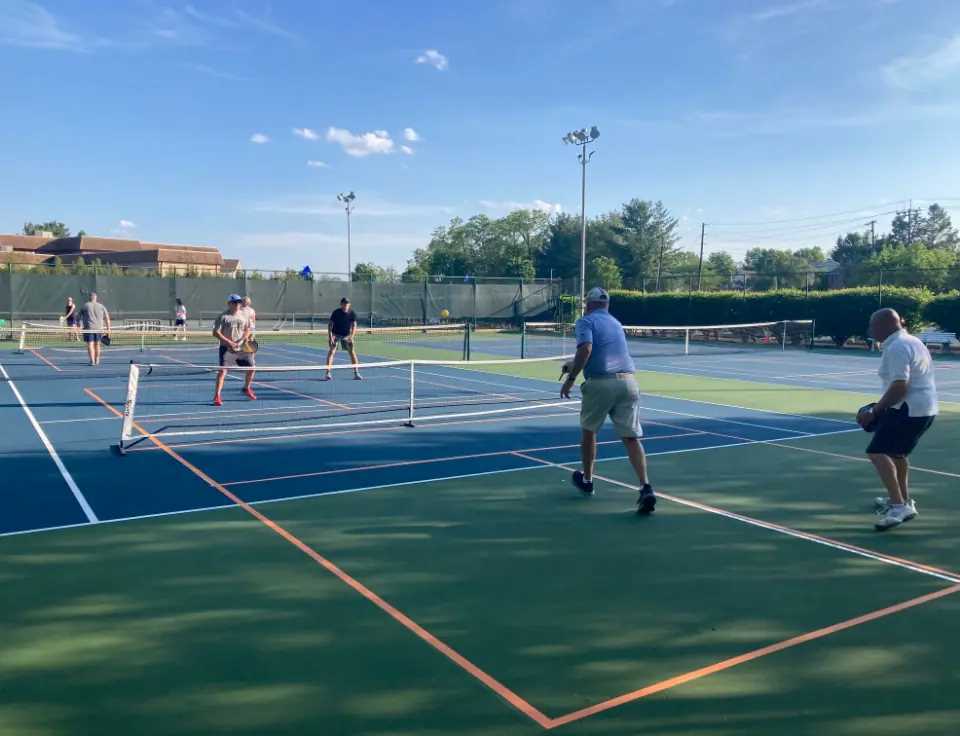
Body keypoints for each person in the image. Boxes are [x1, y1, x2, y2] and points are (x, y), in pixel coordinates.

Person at [560, 287, 656, 514]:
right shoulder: (616, 323)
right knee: (631, 438)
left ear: (589, 304)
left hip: (601, 384)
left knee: (589, 431)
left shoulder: (585, 322)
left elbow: (587, 348)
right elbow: (602, 355)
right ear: (607, 305)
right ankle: (645, 486)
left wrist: (571, 378)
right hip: (629, 383)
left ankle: (588, 480)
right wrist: (573, 364)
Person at [857, 308, 938, 531]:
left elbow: (900, 386)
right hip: (923, 408)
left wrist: (875, 412)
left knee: (876, 452)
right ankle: (903, 500)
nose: (871, 329)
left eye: (873, 325)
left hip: (907, 409)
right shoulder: (912, 341)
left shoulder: (897, 347)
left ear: (884, 325)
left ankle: (898, 505)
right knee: (896, 453)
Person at [212, 294, 257, 406]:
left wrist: (242, 340)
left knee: (252, 368)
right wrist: (229, 342)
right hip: (226, 349)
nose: (238, 304)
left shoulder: (244, 316)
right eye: (235, 302)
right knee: (222, 371)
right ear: (229, 304)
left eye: (239, 302)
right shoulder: (223, 316)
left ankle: (246, 388)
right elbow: (215, 333)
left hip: (241, 348)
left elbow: (248, 329)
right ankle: (217, 396)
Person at [324, 297, 362, 380]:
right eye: (344, 304)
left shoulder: (352, 313)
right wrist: (331, 337)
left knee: (352, 352)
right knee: (332, 352)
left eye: (347, 304)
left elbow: (354, 325)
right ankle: (328, 373)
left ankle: (356, 373)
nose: (345, 305)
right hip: (335, 334)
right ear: (341, 304)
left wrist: (351, 337)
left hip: (346, 335)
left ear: (349, 305)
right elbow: (330, 325)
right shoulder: (336, 313)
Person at [78, 292, 111, 366]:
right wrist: (108, 330)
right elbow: (107, 319)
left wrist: (78, 325)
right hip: (99, 329)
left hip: (89, 328)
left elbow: (78, 317)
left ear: (90, 297)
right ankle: (97, 360)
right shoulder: (102, 306)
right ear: (96, 298)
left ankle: (92, 361)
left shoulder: (85, 305)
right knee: (97, 344)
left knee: (90, 344)